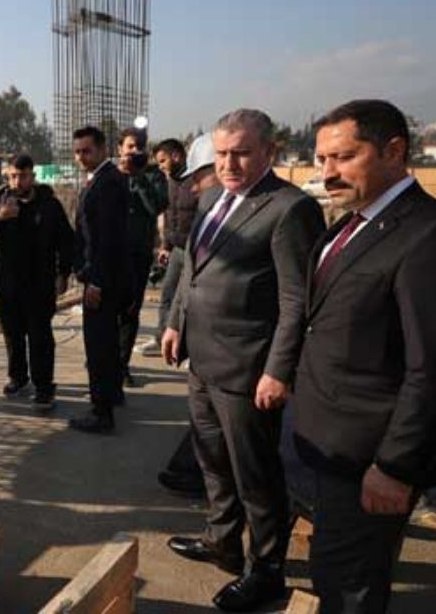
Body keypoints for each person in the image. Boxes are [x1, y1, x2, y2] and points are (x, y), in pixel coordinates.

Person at [293, 99, 436, 613]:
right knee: (333, 569)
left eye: (343, 157)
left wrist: (395, 466)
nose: (326, 173)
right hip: (327, 443)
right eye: (321, 159)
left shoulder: (431, 237)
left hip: (369, 457)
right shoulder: (350, 226)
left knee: (349, 585)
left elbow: (434, 369)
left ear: (394, 151)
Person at [161, 109, 324, 612]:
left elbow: (297, 301)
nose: (229, 163)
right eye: (223, 153)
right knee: (212, 460)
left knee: (256, 473)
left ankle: (267, 568)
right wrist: (175, 321)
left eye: (241, 153)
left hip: (249, 368)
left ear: (269, 153)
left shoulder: (288, 209)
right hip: (203, 361)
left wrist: (279, 369)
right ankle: (222, 540)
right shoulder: (211, 197)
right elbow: (194, 270)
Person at [0, 153, 74, 411]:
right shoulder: (1, 200)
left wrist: (63, 274)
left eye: (23, 176)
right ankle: (18, 378)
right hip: (8, 283)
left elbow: (66, 241)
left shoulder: (49, 204)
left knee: (40, 336)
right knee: (12, 334)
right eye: (13, 176)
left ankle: (44, 387)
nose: (18, 181)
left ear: (32, 176)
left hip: (39, 283)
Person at [152, 134, 218, 500]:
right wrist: (176, 325)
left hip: (236, 353)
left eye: (201, 176)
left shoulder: (280, 213)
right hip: (206, 347)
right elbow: (189, 278)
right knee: (206, 419)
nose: (194, 186)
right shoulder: (209, 215)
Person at [69, 125, 131, 434]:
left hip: (101, 280)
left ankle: (101, 410)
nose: (81, 157)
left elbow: (108, 239)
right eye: (77, 151)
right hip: (102, 276)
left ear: (103, 149)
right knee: (105, 342)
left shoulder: (107, 183)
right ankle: (112, 394)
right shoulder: (102, 180)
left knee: (99, 345)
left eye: (87, 151)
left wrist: (97, 282)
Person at [117, 127, 167, 389]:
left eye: (140, 147)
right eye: (130, 146)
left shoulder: (153, 176)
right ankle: (105, 360)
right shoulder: (111, 175)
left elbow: (156, 207)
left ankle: (121, 365)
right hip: (111, 254)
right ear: (120, 149)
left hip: (136, 255)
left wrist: (138, 178)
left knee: (129, 312)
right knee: (106, 311)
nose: (134, 151)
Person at [138, 137, 192, 356]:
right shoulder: (169, 183)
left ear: (176, 156)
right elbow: (169, 216)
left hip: (194, 251)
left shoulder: (195, 183)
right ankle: (162, 340)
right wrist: (165, 246)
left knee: (190, 301)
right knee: (167, 295)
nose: (160, 166)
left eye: (163, 161)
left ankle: (187, 348)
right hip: (176, 249)